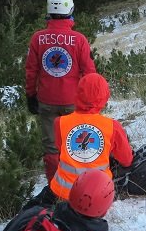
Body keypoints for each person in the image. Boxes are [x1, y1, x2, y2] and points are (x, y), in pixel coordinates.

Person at [25, 0, 97, 181]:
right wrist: (91, 100)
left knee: (51, 147)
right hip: (73, 101)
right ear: (70, 9)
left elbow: (31, 71)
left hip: (46, 101)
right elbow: (90, 73)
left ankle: (55, 189)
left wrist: (30, 95)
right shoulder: (79, 40)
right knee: (77, 142)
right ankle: (79, 183)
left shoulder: (37, 38)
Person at [49, 72, 133, 201]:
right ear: (105, 97)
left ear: (77, 94)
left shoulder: (60, 122)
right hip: (97, 195)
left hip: (62, 192)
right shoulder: (112, 126)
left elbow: (61, 151)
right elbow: (127, 160)